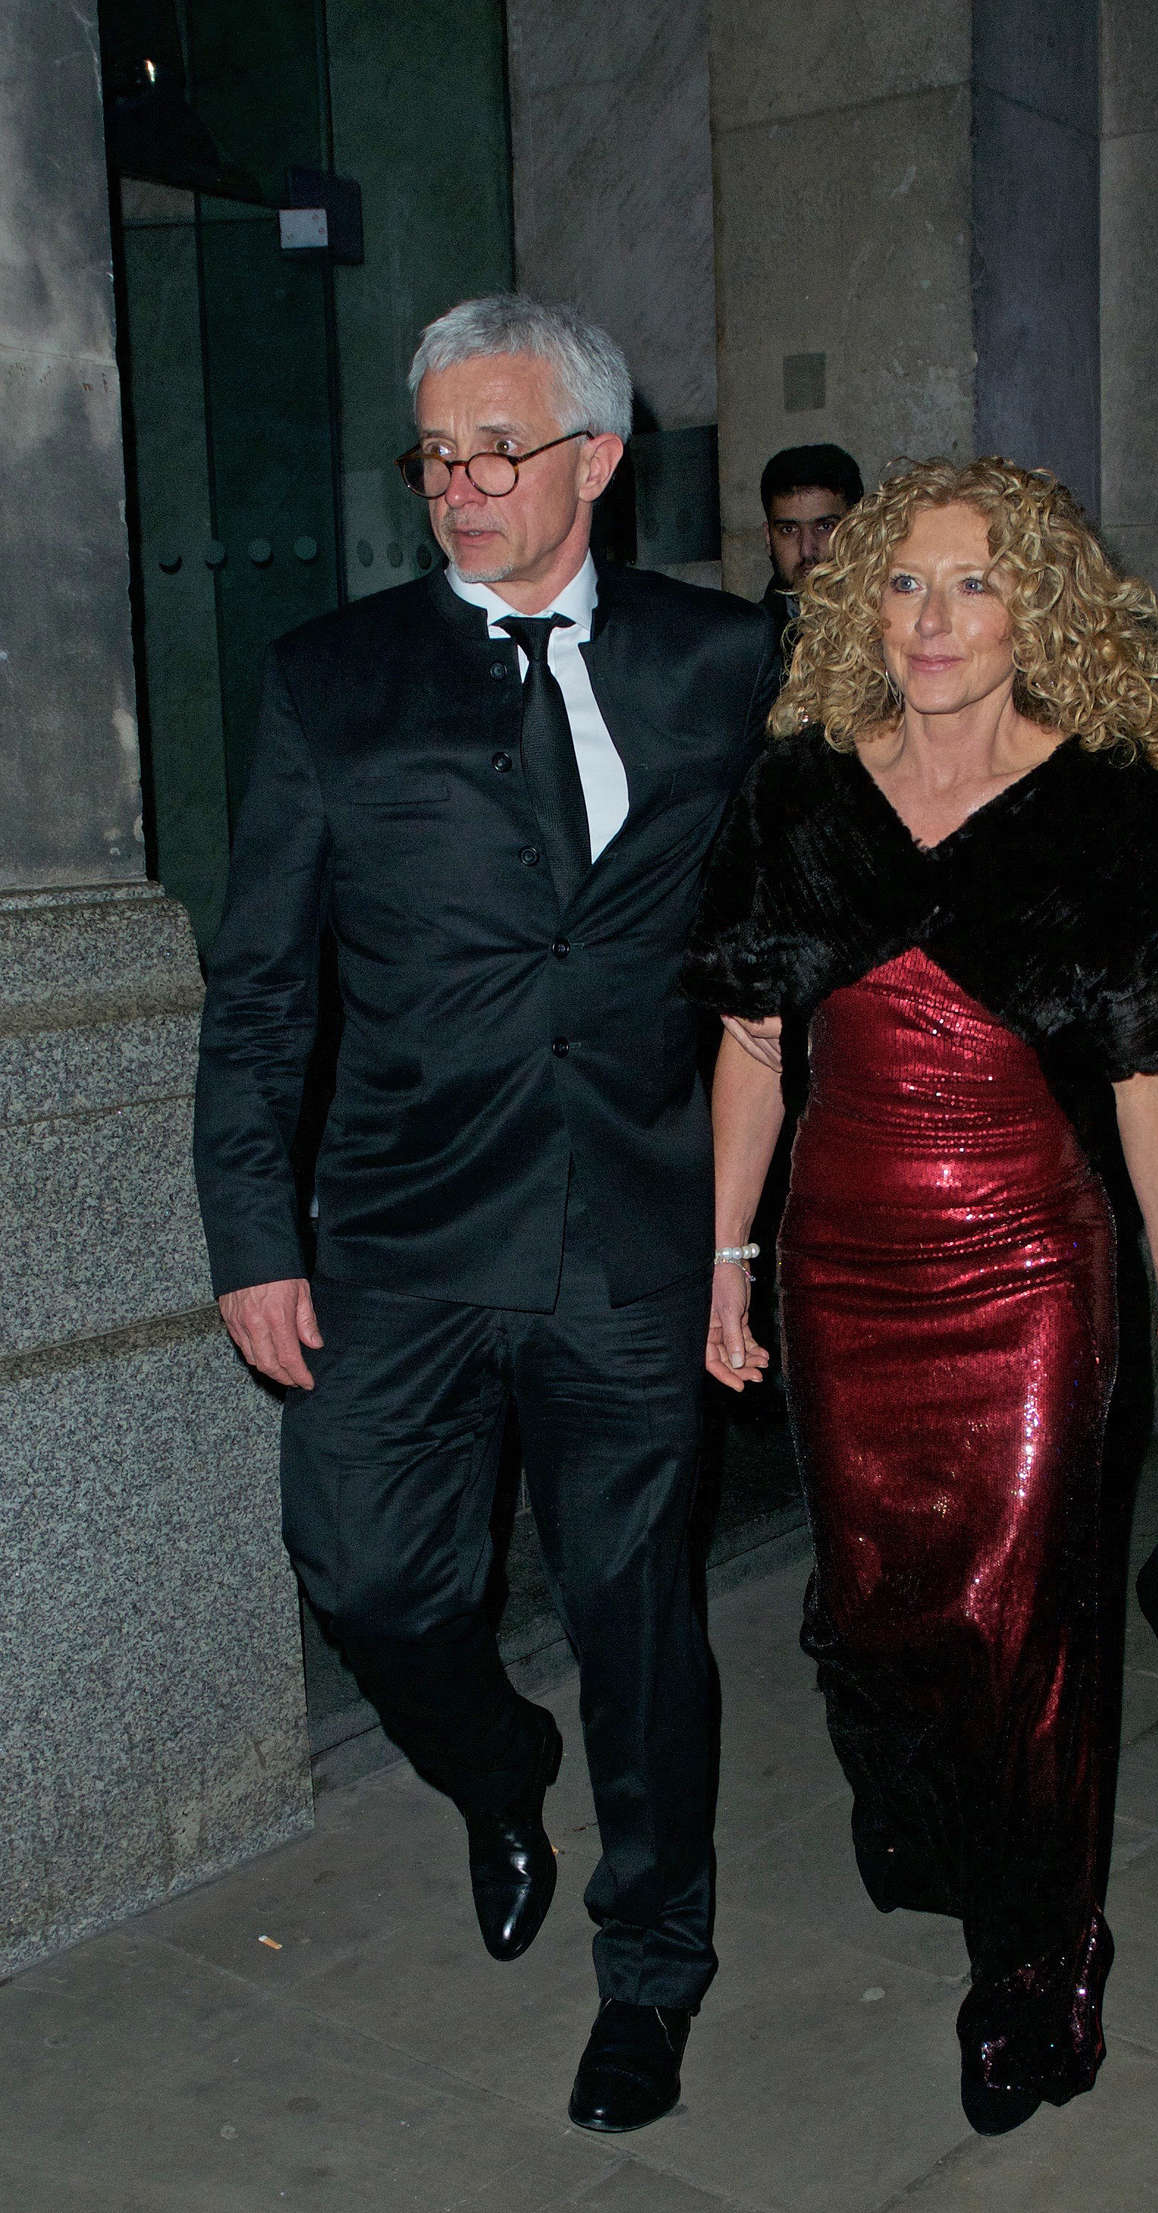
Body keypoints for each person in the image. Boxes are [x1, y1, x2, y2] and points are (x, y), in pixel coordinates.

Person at [193, 294, 781, 2135]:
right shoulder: (332, 679)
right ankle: (496, 1764)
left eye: (496, 449)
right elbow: (265, 985)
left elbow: (795, 936)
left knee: (640, 1618)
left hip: (630, 1231)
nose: (457, 486)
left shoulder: (721, 666)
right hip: (399, 1232)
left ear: (598, 460)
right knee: (366, 1570)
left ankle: (652, 1969)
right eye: (435, 452)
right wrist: (250, 1229)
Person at [683, 457, 1158, 2135]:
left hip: (1027, 1270)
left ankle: (1035, 1963)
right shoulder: (802, 798)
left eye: (972, 583)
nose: (931, 618)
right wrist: (727, 1257)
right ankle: (944, 1819)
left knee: (1023, 1631)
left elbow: (1153, 1076)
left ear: (1038, 613)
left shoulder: (1109, 812)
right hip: (842, 1274)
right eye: (905, 583)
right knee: (874, 1608)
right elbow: (749, 1041)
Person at [759, 443, 864, 662]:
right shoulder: (750, 648)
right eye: (789, 530)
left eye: (825, 527)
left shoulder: (892, 631)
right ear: (769, 537)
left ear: (857, 529)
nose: (807, 550)